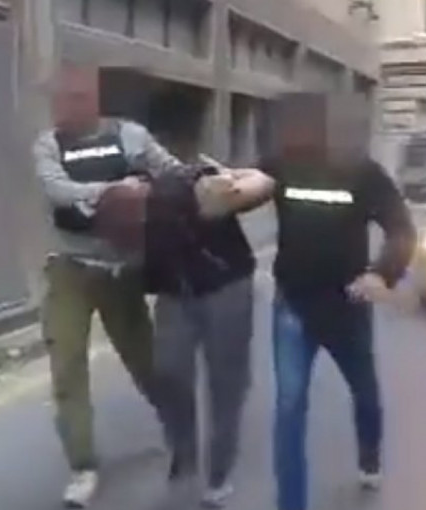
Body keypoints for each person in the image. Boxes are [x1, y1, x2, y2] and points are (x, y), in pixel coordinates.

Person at [32, 64, 185, 508]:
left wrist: (154, 190)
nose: (65, 107)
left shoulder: (129, 136)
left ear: (94, 100)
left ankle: (180, 430)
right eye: (60, 99)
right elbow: (56, 189)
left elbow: (173, 173)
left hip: (121, 270)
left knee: (146, 361)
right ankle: (83, 466)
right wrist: (118, 191)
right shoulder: (48, 144)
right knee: (66, 367)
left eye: (76, 98)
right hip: (70, 268)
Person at [262, 92, 416, 510]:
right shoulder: (283, 164)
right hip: (293, 306)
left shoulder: (364, 172)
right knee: (289, 405)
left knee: (365, 392)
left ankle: (369, 455)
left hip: (347, 307)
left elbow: (401, 229)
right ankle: (290, 503)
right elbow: (248, 186)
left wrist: (381, 273)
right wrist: (221, 186)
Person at [144, 91, 275, 508]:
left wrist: (235, 180)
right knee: (168, 372)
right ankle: (184, 449)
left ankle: (219, 473)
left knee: (226, 383)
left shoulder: (208, 177)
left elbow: (259, 186)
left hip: (225, 286)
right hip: (174, 291)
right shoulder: (136, 182)